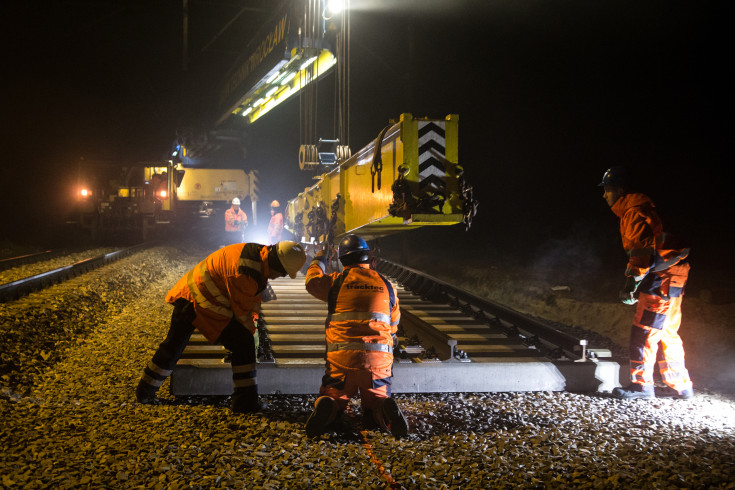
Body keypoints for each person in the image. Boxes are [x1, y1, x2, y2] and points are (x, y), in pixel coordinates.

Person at [135, 241, 306, 413]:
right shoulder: (245, 274)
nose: (279, 277)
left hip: (191, 294)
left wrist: (254, 324)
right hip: (199, 301)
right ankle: (245, 402)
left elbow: (252, 302)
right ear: (277, 265)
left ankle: (145, 391)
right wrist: (253, 338)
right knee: (243, 344)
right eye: (283, 274)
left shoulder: (258, 255)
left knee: (173, 345)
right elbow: (242, 315)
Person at [599, 166, 694, 400]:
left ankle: (641, 386)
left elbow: (641, 255)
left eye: (608, 190)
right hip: (675, 274)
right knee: (668, 332)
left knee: (644, 331)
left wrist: (630, 288)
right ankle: (681, 385)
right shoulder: (645, 207)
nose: (605, 195)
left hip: (660, 279)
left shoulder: (632, 211)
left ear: (620, 190)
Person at [303, 234, 409, 438]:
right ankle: (382, 405)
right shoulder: (388, 286)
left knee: (334, 395)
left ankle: (329, 404)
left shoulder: (336, 282)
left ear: (342, 260)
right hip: (377, 363)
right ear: (368, 258)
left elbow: (311, 282)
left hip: (342, 362)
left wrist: (319, 259)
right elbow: (393, 325)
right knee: (375, 401)